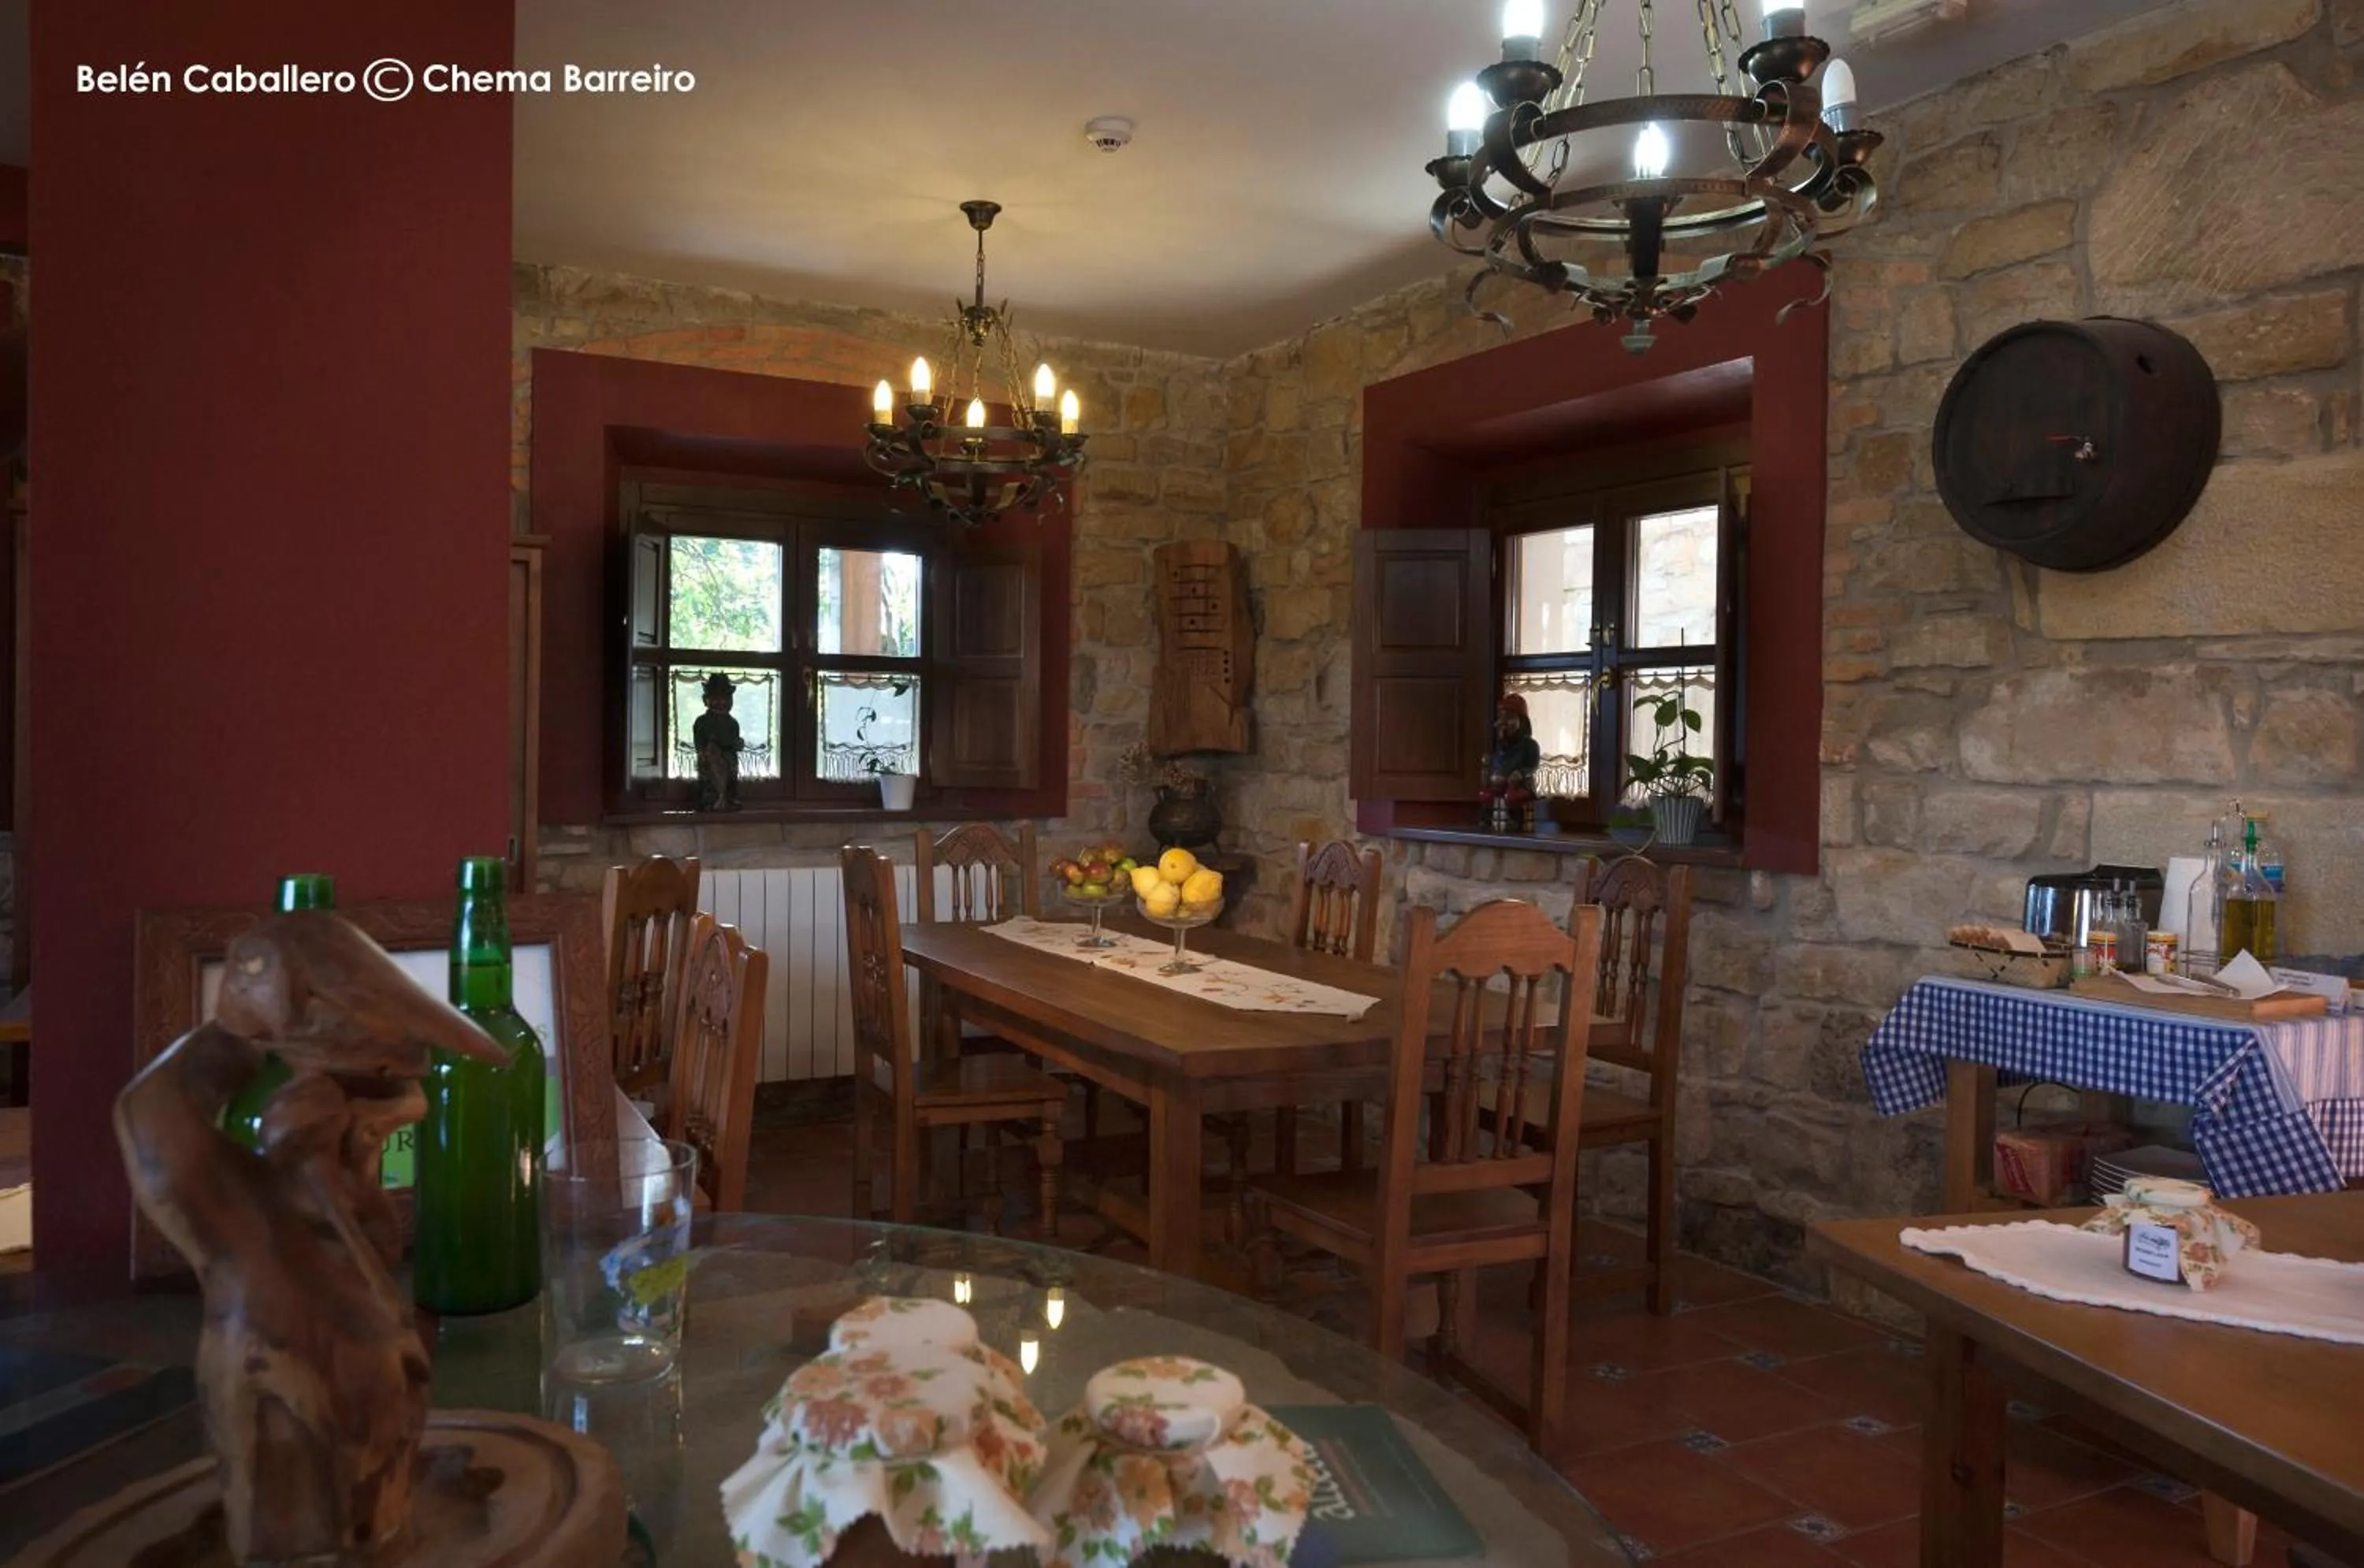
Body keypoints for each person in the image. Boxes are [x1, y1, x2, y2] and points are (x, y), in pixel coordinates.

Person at [1480, 690, 1542, 831]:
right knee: (1487, 795)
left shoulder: (1529, 745)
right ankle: (1487, 819)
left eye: (1509, 719)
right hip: (1500, 783)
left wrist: (1520, 773)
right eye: (1501, 718)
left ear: (1522, 721)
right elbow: (1497, 762)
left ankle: (1515, 820)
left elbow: (1533, 766)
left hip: (1520, 784)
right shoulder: (1501, 746)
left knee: (1511, 796)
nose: (1503, 723)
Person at [693, 671, 745, 811]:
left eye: (725, 698)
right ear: (706, 700)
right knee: (709, 782)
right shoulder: (702, 722)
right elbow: (699, 743)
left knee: (731, 780)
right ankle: (710, 801)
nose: (721, 702)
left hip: (729, 759)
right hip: (710, 760)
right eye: (716, 698)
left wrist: (737, 744)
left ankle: (728, 799)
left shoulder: (733, 723)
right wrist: (704, 753)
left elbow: (734, 741)